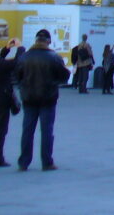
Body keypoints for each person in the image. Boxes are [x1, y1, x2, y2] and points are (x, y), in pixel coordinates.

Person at [16, 28, 69, 171]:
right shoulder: (54, 57)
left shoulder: (25, 56)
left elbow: (17, 76)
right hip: (48, 98)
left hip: (29, 98)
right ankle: (47, 162)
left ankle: (24, 162)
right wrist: (53, 82)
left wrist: (24, 85)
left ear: (35, 40)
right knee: (46, 131)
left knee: (27, 130)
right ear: (48, 41)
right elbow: (64, 76)